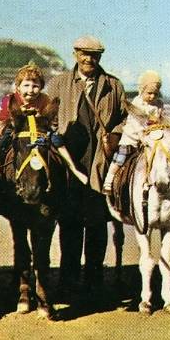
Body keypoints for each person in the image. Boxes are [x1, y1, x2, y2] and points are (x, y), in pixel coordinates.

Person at [46, 35, 129, 295]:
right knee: (69, 222)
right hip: (68, 163)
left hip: (99, 161)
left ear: (100, 58)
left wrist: (114, 135)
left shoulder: (113, 86)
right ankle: (68, 282)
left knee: (96, 224)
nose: (88, 59)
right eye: (84, 54)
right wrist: (56, 136)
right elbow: (46, 114)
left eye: (94, 55)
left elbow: (126, 119)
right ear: (75, 54)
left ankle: (94, 282)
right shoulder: (60, 83)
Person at [0, 63, 88, 184]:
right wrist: (19, 113)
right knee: (2, 142)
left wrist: (39, 116)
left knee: (58, 140)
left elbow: (50, 119)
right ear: (18, 87)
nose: (31, 90)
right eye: (26, 85)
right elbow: (2, 119)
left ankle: (72, 168)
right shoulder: (10, 99)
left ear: (41, 87)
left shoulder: (44, 99)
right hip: (17, 127)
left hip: (39, 129)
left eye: (35, 86)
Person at [102, 70, 170, 195]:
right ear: (141, 90)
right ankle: (109, 179)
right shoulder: (137, 104)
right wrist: (143, 137)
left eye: (155, 94)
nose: (152, 97)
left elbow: (161, 120)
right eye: (149, 93)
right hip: (133, 137)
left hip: (152, 138)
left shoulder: (159, 104)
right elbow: (136, 123)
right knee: (121, 157)